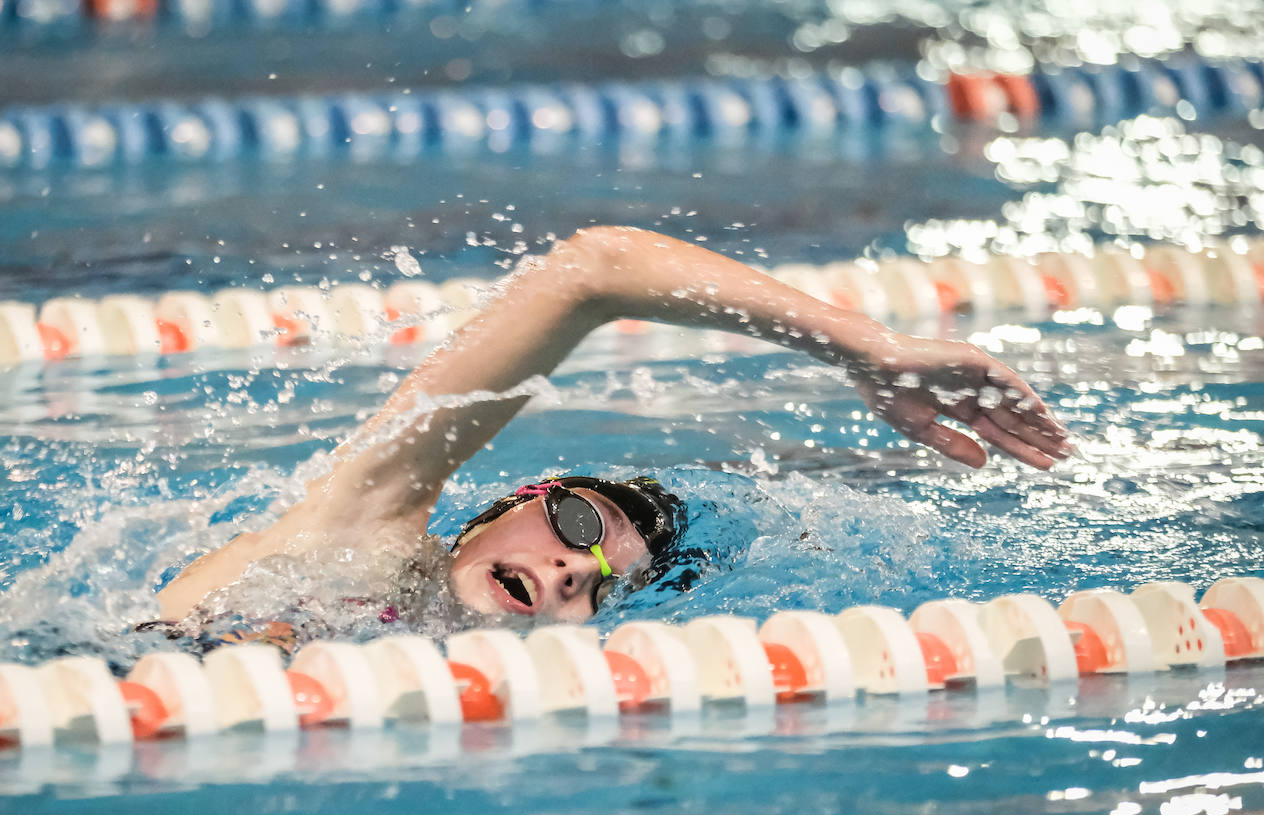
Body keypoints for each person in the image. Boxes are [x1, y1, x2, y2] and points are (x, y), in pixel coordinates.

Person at [155, 226, 1072, 626]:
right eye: (579, 527)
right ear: (506, 504)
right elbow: (591, 270)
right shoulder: (351, 534)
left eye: (598, 586)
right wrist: (860, 344)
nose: (565, 571)